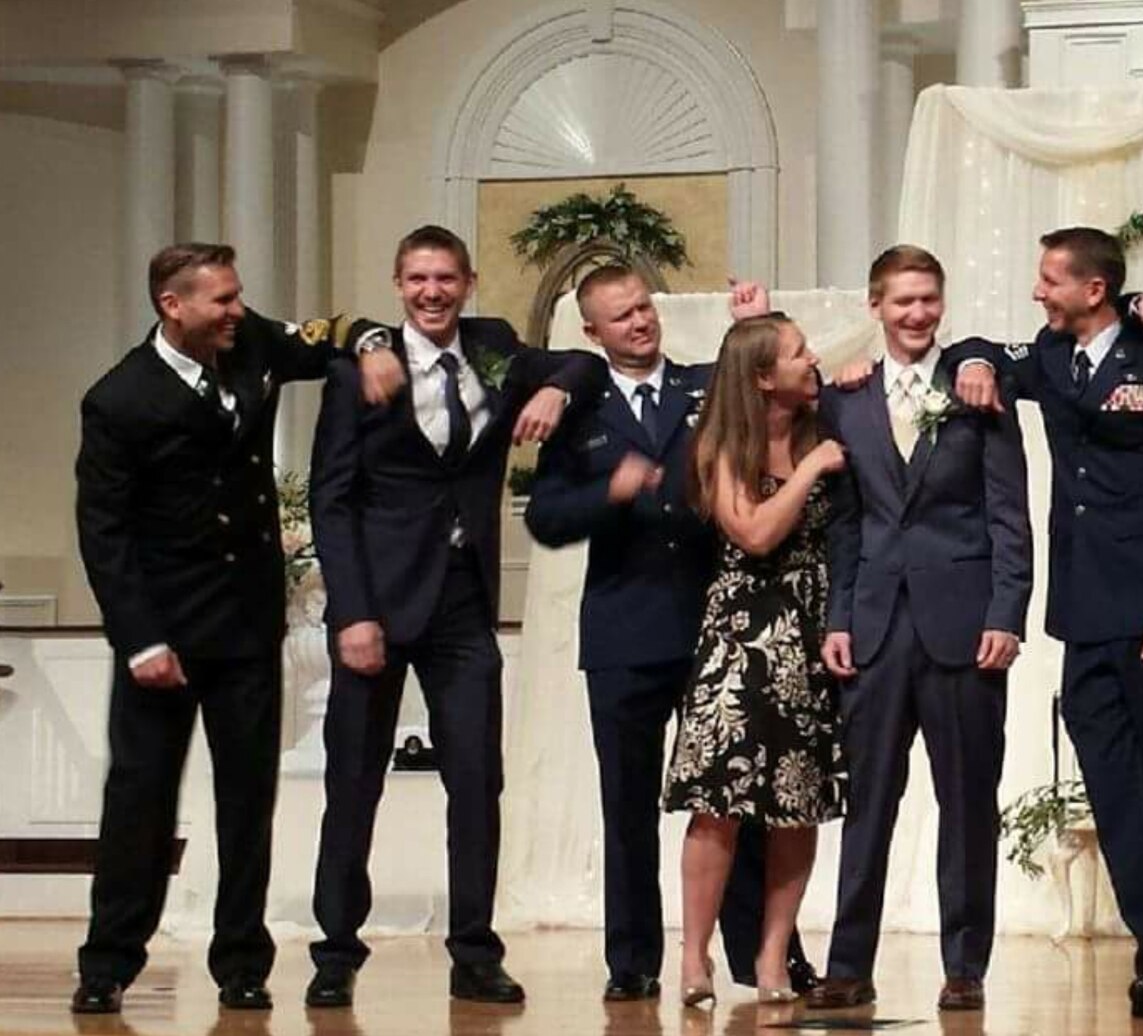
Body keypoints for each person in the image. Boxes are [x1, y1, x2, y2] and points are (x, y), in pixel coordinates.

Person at [71, 242, 404, 1015]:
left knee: (247, 802)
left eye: (237, 296)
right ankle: (109, 962)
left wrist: (375, 346)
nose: (235, 310)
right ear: (172, 305)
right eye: (220, 299)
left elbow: (332, 332)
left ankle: (242, 963)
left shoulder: (248, 341)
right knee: (140, 804)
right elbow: (105, 532)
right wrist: (141, 638)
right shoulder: (119, 399)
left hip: (247, 627)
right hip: (166, 635)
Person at [305, 225, 601, 1008]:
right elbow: (331, 501)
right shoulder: (359, 368)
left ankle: (474, 951)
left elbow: (584, 361)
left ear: (468, 282)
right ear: (399, 284)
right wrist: (353, 614)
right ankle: (335, 952)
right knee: (354, 782)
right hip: (377, 604)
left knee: (476, 781)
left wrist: (554, 388)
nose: (432, 292)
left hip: (464, 604)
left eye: (445, 278)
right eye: (417, 279)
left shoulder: (496, 346)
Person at [523, 266, 815, 1001]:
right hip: (625, 631)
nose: (639, 323)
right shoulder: (580, 407)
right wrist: (608, 492)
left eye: (644, 307)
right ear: (592, 332)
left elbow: (769, 375)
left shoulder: (702, 385)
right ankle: (634, 963)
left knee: (739, 799)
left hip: (716, 629)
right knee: (626, 805)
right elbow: (546, 516)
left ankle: (760, 956)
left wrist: (763, 313)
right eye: (620, 317)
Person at [980, 227, 1143, 1020]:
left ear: (1096, 290)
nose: (1037, 291)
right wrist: (977, 361)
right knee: (1117, 789)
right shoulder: (1054, 359)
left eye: (1050, 280)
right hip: (1085, 610)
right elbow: (983, 350)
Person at [805, 246, 1031, 1013]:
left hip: (964, 627)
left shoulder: (976, 389)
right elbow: (841, 523)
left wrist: (1007, 614)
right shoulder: (846, 401)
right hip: (873, 627)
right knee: (867, 802)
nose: (917, 314)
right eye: (902, 301)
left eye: (929, 299)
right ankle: (848, 964)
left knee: (968, 800)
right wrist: (837, 618)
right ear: (875, 305)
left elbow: (1009, 514)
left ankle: (965, 965)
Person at [664, 313, 847, 1006]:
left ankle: (774, 957)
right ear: (763, 377)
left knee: (796, 804)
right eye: (798, 352)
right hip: (739, 640)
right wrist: (808, 472)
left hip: (807, 634)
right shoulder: (722, 446)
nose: (812, 360)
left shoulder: (820, 427)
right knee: (719, 804)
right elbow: (755, 532)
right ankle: (692, 956)